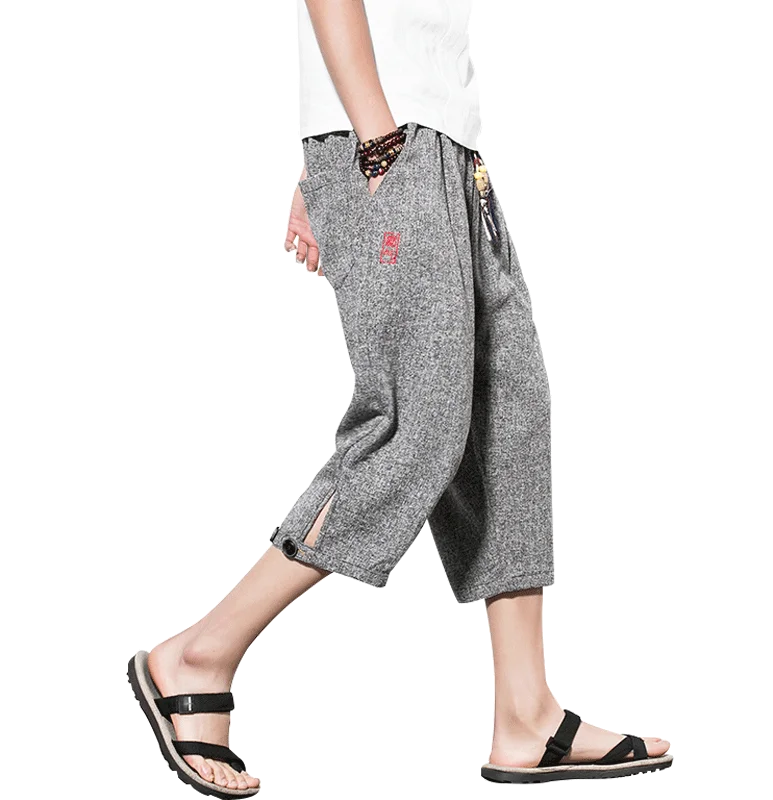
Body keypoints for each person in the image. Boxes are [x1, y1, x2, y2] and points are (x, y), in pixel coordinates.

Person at [127, 1, 672, 794]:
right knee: (415, 426)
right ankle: (199, 655)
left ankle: (526, 712)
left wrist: (342, 158)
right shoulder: (384, 140)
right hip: (392, 139)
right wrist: (372, 142)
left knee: (508, 411)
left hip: (441, 145)